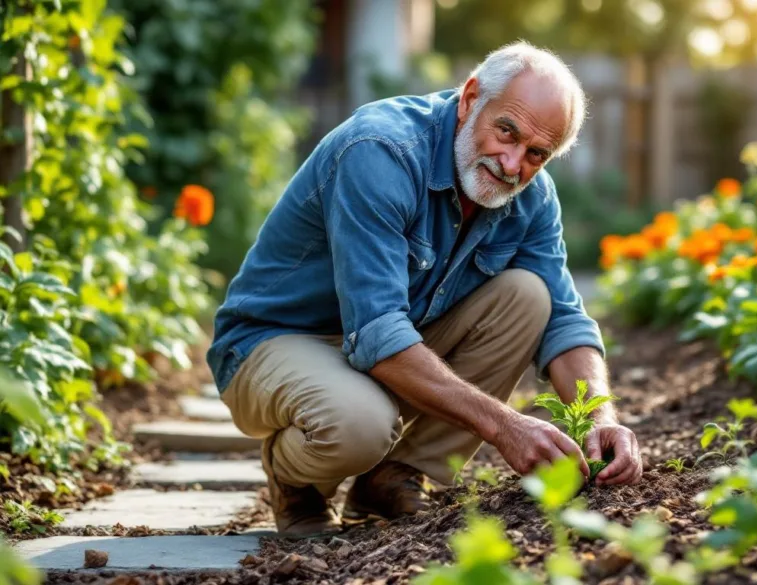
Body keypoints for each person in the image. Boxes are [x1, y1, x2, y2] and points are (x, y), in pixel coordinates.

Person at [205, 41, 643, 537]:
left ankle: (395, 476)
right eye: (506, 131)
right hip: (275, 341)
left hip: (379, 343)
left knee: (529, 297)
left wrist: (600, 420)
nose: (512, 162)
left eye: (535, 153)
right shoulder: (381, 152)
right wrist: (504, 426)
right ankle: (294, 481)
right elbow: (377, 333)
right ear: (471, 98)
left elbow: (563, 317)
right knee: (359, 424)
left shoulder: (532, 198)